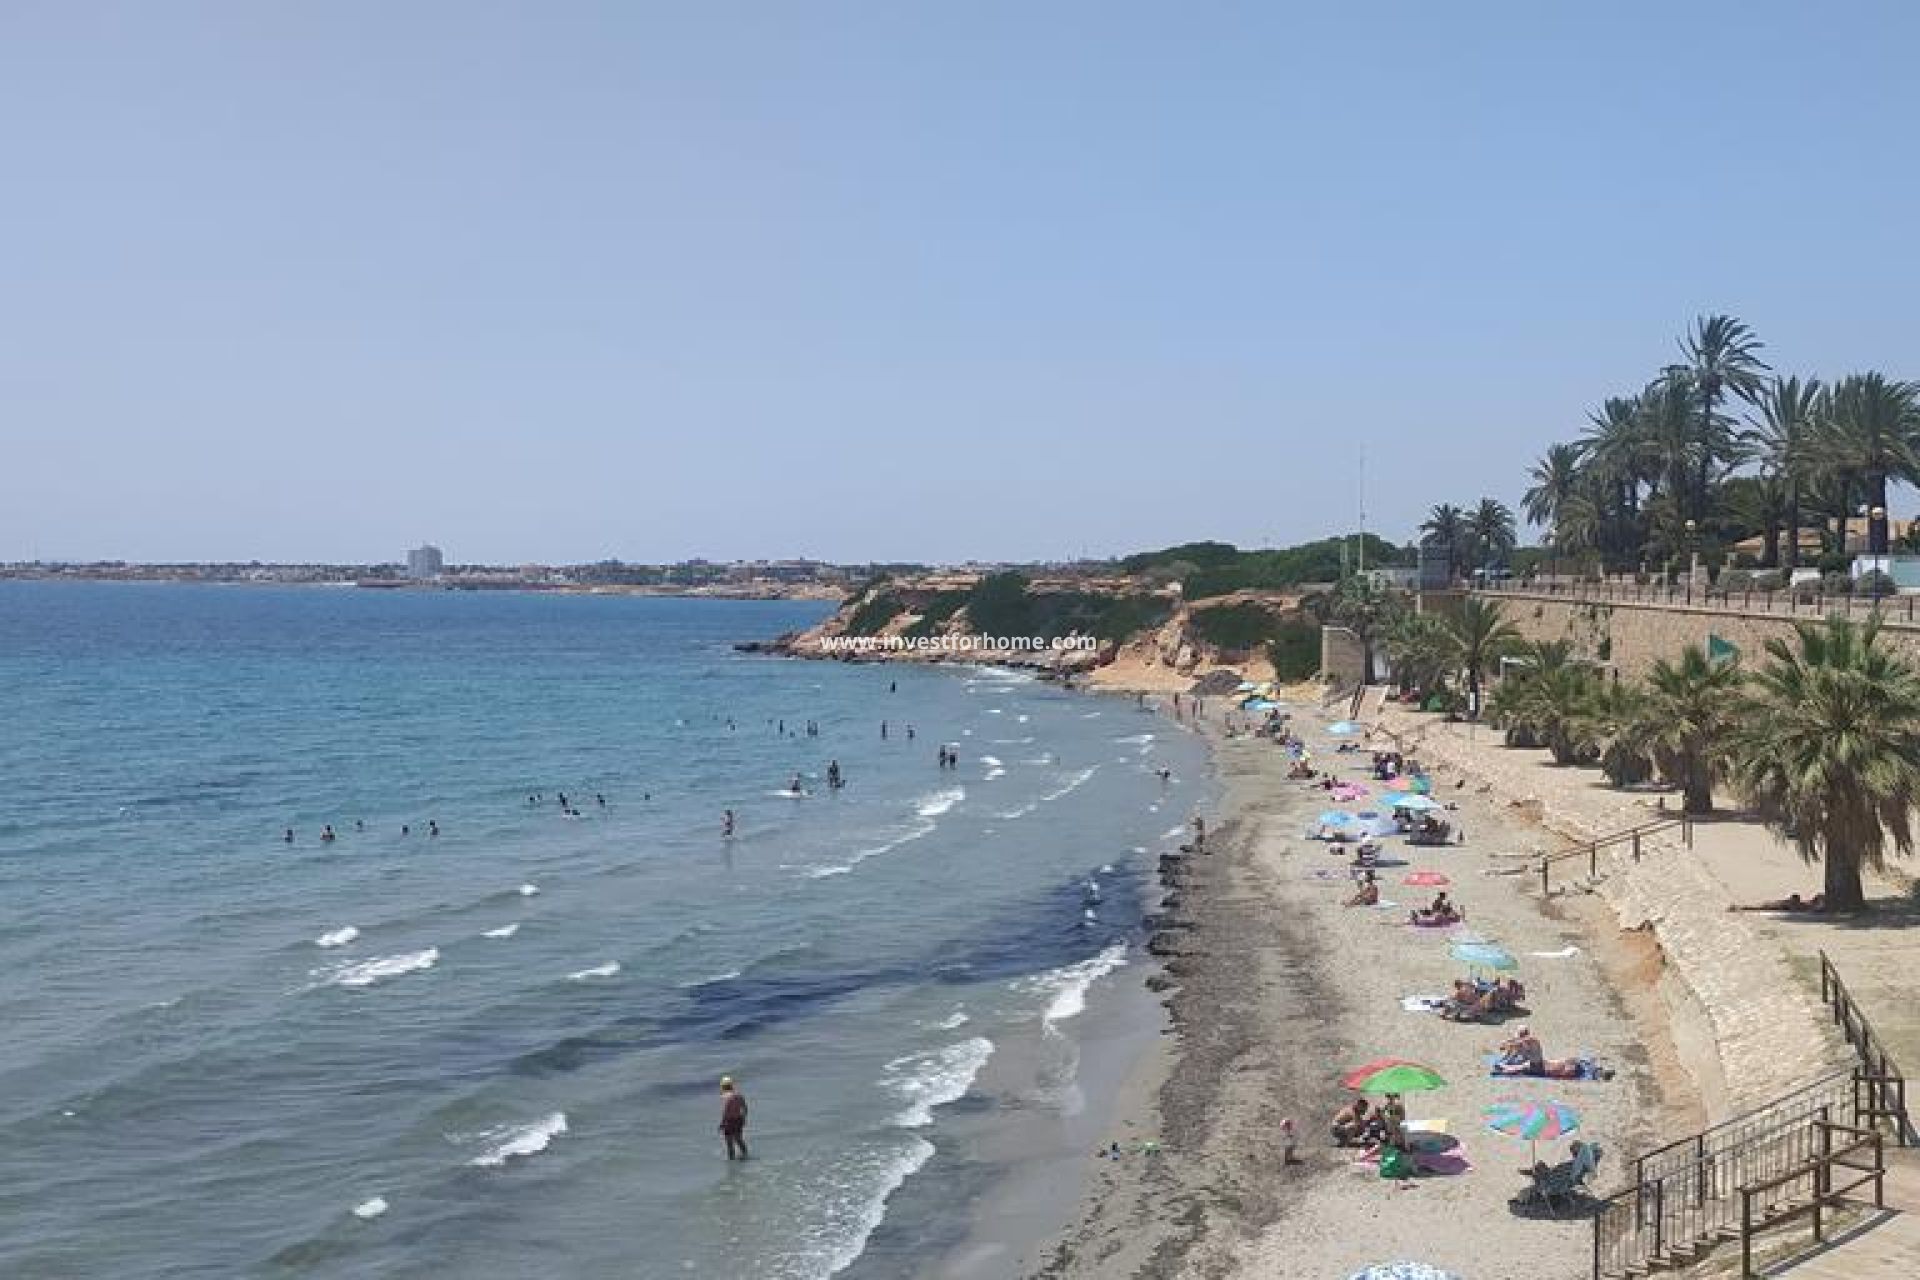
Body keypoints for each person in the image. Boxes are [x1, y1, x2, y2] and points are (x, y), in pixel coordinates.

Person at [719, 1076, 749, 1160]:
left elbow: (726, 1112)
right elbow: (745, 1108)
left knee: (729, 1143)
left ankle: (731, 1160)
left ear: (723, 1087)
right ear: (732, 1085)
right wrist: (743, 1119)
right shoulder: (739, 1095)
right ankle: (745, 1155)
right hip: (738, 1120)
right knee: (739, 1139)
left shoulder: (725, 1097)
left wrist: (722, 1123)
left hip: (729, 1121)